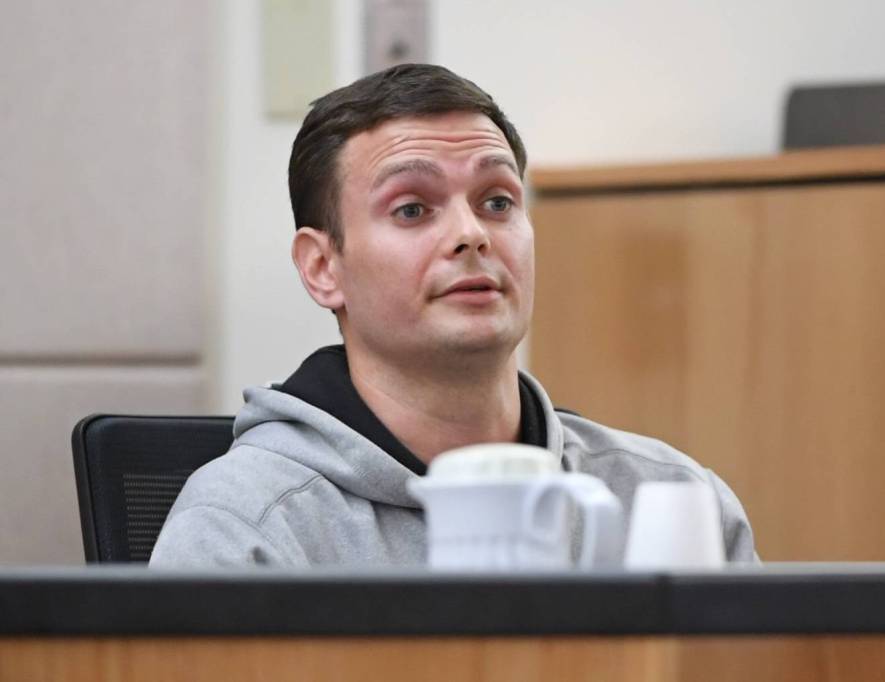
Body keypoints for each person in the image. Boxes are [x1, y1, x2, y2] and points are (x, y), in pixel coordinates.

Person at [149, 64, 757, 568]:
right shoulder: (242, 528)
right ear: (322, 268)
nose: (471, 235)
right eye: (413, 209)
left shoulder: (674, 501)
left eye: (497, 202)